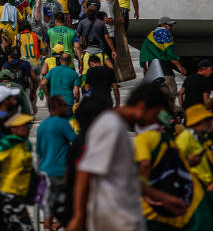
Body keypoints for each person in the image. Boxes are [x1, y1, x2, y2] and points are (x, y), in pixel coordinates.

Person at [66, 83, 188, 231]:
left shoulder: (118, 126)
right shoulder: (111, 126)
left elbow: (127, 178)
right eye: (155, 115)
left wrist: (164, 198)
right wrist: (79, 217)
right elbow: (85, 171)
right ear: (142, 107)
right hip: (115, 219)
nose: (155, 123)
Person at [36, 95, 77, 230]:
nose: (66, 108)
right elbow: (76, 142)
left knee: (50, 206)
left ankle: (50, 225)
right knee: (68, 206)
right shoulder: (63, 123)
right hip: (61, 171)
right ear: (57, 107)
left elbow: (39, 151)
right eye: (64, 105)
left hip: (45, 171)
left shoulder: (42, 126)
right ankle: (58, 224)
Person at [139, 16, 187, 98]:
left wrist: (144, 68)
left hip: (153, 70)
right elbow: (169, 52)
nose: (171, 27)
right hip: (164, 68)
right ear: (163, 25)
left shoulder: (151, 35)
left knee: (156, 95)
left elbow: (143, 52)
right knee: (171, 91)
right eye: (169, 25)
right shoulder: (165, 32)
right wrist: (179, 66)